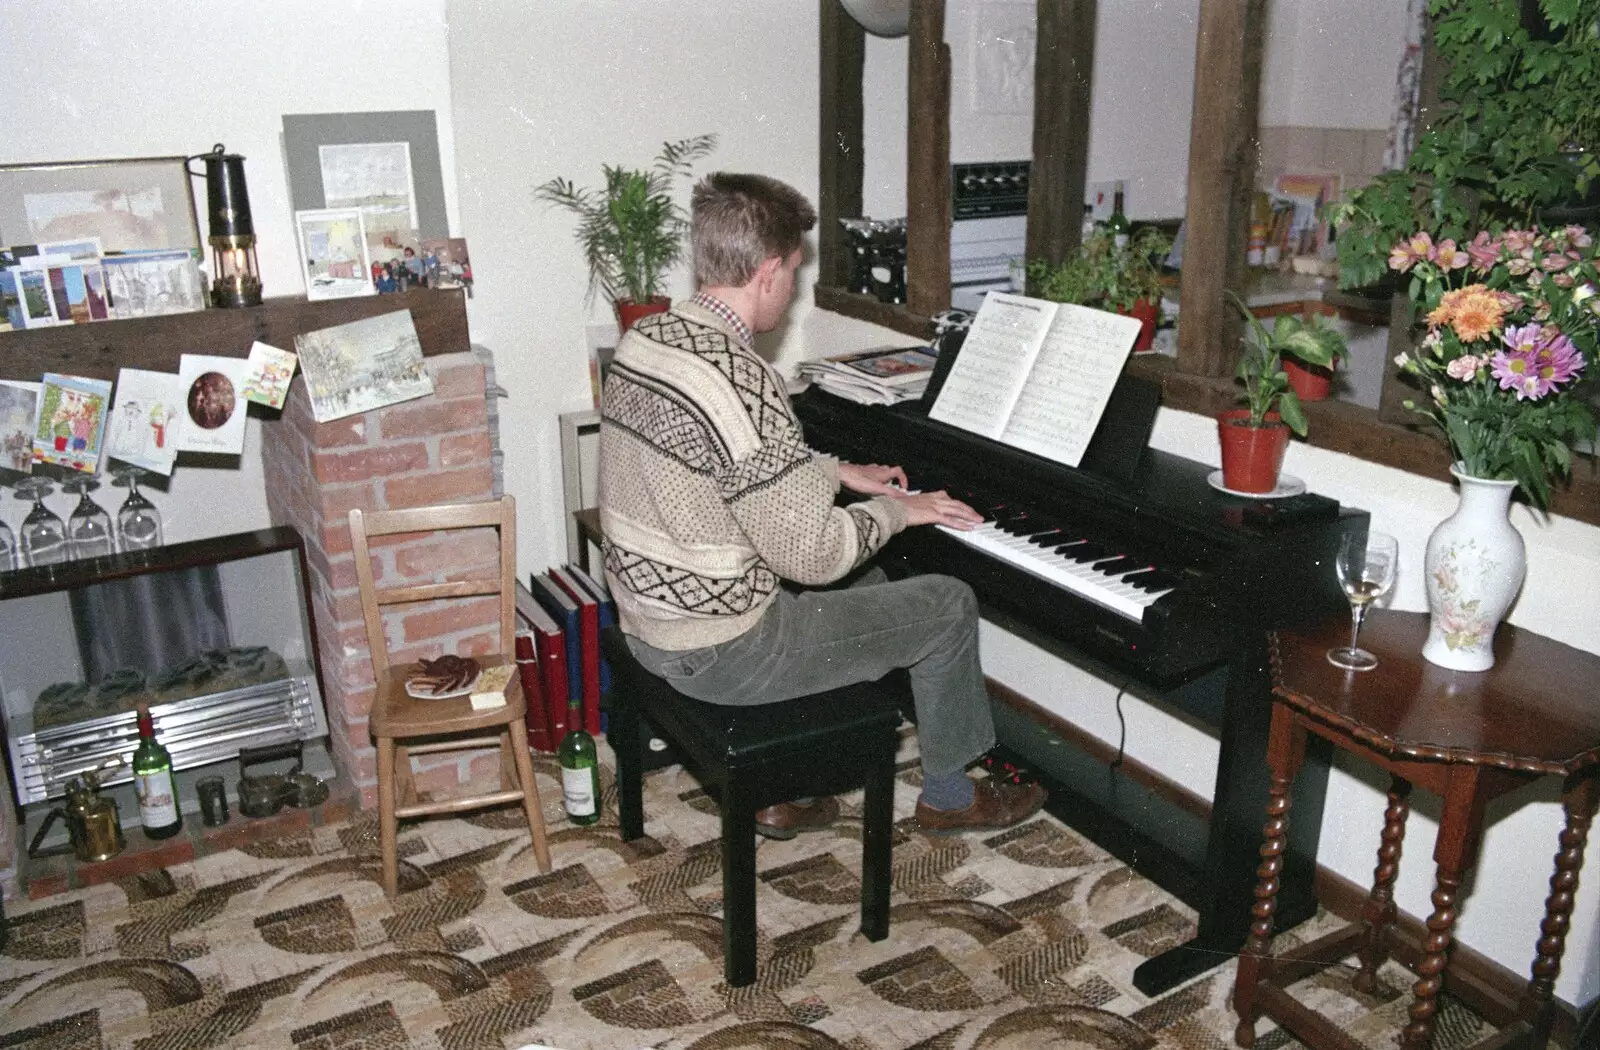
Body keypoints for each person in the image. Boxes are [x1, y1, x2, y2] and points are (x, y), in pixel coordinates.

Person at [598, 173, 1046, 840]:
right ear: (769, 270)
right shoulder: (743, 379)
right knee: (947, 604)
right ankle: (950, 798)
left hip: (650, 623)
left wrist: (836, 471)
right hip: (723, 653)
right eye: (796, 270)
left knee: (870, 583)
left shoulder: (648, 339)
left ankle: (786, 784)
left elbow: (723, 466)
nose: (795, 285)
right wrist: (903, 510)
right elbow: (812, 556)